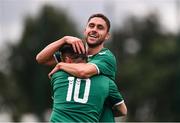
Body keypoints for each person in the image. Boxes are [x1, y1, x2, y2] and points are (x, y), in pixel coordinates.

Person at [36, 13, 125, 122]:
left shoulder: (106, 57)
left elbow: (83, 71)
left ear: (107, 36)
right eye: (91, 26)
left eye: (100, 27)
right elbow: (41, 58)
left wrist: (60, 65)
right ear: (85, 30)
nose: (94, 30)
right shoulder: (77, 52)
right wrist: (64, 39)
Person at [49, 44, 127, 122]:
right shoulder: (107, 81)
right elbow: (123, 111)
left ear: (67, 60)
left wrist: (60, 65)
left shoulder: (56, 75)